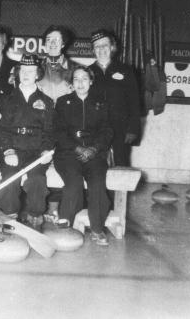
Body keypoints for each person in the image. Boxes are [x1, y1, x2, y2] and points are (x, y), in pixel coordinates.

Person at [54, 65, 113, 245]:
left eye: (84, 79)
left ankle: (97, 228)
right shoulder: (63, 102)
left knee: (97, 185)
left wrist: (93, 149)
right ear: (71, 83)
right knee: (74, 184)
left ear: (91, 81)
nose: (80, 83)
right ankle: (64, 225)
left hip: (94, 154)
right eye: (76, 79)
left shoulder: (101, 104)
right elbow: (58, 132)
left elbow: (107, 131)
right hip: (68, 154)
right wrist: (78, 149)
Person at [0, 54, 54, 231]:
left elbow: (50, 132)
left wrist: (46, 151)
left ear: (37, 74)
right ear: (18, 73)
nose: (26, 74)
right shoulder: (6, 99)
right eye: (23, 71)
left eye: (31, 71)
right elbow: (1, 129)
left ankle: (35, 216)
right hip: (11, 147)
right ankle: (10, 217)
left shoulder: (47, 102)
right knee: (10, 177)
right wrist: (7, 151)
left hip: (36, 150)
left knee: (37, 180)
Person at [89, 29, 141, 166]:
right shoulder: (87, 72)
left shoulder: (126, 71)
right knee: (96, 166)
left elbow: (135, 102)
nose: (101, 49)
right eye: (97, 46)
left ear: (112, 47)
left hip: (121, 128)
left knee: (121, 165)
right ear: (93, 50)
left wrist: (133, 129)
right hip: (95, 129)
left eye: (104, 45)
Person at [38, 25, 78, 104]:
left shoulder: (74, 68)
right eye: (49, 40)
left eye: (56, 39)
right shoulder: (36, 67)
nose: (52, 43)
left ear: (63, 44)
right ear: (45, 44)